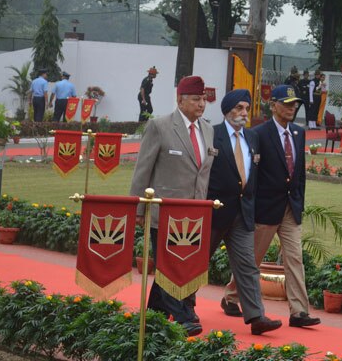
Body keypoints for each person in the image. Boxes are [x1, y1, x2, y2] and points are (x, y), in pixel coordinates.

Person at [226, 85, 321, 329]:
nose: (292, 108)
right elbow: (251, 174)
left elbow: (299, 174)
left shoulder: (299, 134)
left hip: (290, 209)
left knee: (295, 259)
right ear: (273, 105)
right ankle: (231, 296)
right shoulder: (258, 134)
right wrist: (249, 206)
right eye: (287, 103)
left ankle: (299, 312)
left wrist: (299, 201)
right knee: (252, 259)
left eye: (294, 104)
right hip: (265, 209)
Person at [129, 75, 215, 337]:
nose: (201, 104)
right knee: (169, 265)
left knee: (183, 263)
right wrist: (139, 209)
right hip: (163, 213)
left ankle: (153, 315)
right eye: (196, 99)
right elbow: (142, 171)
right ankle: (182, 315)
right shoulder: (160, 126)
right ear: (180, 99)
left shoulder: (208, 129)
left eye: (203, 99)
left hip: (195, 215)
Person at [208, 89, 282, 335]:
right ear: (227, 110)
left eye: (247, 109)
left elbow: (255, 177)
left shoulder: (252, 138)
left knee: (248, 266)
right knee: (197, 264)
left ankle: (256, 317)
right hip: (214, 212)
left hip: (243, 214)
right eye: (239, 108)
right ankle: (183, 307)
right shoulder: (211, 135)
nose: (243, 113)